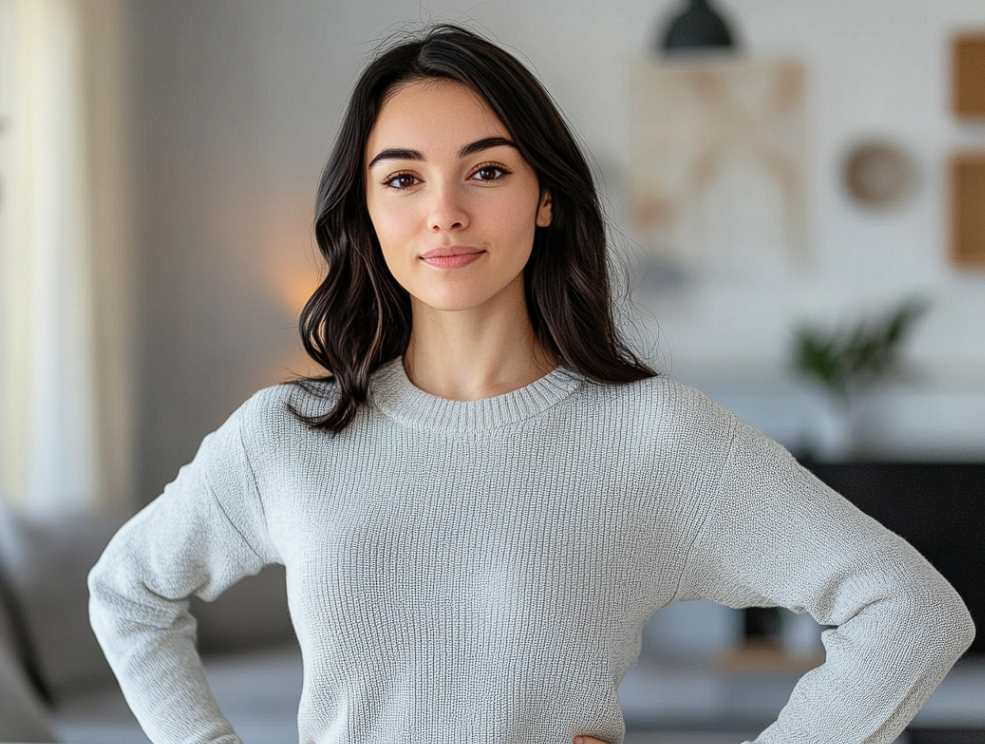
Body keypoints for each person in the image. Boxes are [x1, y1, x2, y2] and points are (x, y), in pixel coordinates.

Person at [89, 23, 974, 744]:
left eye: (486, 171)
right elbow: (129, 593)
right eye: (402, 178)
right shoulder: (283, 435)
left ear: (544, 196)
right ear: (365, 209)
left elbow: (909, 613)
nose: (444, 211)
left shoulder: (654, 435)